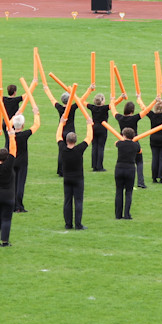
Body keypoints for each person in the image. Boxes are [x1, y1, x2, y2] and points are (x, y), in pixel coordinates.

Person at [55, 91, 92, 230]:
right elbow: (89, 138)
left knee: (67, 201)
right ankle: (78, 224)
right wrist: (89, 124)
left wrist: (61, 123)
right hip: (78, 179)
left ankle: (68, 224)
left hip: (67, 178)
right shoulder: (79, 149)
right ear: (75, 140)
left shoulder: (62, 148)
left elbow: (58, 135)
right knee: (78, 201)